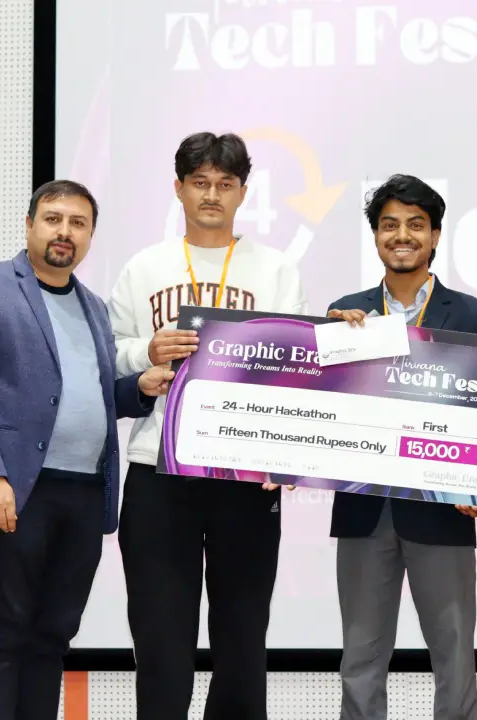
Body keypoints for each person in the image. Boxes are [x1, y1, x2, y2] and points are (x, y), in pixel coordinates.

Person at [0, 179, 173, 720]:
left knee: (53, 637)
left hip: (84, 494)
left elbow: (87, 393)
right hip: (17, 489)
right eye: (53, 219)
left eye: (78, 223)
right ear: (29, 226)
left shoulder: (93, 307)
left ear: (90, 235)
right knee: (5, 633)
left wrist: (136, 389)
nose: (64, 232)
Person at [108, 131, 308, 719]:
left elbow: (298, 369)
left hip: (245, 477)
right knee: (161, 640)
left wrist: (287, 453)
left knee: (242, 638)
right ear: (178, 189)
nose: (211, 195)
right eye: (199, 183)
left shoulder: (276, 270)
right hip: (157, 471)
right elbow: (112, 352)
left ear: (243, 192)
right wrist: (147, 350)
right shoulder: (144, 267)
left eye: (224, 184)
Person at [324, 174, 477, 720]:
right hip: (362, 511)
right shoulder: (343, 314)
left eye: (416, 225)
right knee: (360, 658)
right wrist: (331, 345)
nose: (402, 235)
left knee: (454, 656)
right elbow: (326, 411)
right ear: (376, 235)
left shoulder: (474, 317)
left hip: (443, 510)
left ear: (436, 235)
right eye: (390, 225)